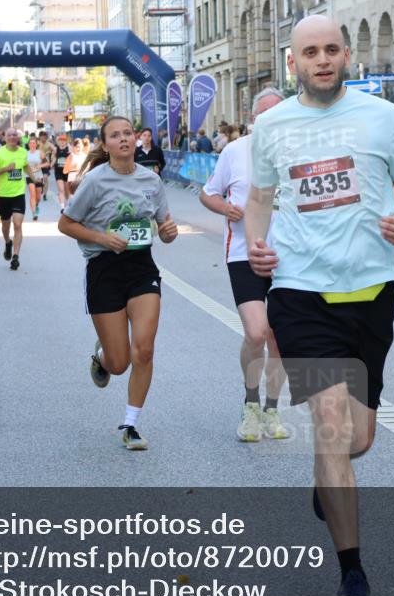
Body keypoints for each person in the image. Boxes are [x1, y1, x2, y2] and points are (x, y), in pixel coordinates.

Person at [245, 14, 394, 596]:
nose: (321, 60)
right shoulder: (270, 125)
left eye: (330, 50)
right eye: (309, 52)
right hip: (301, 292)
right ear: (291, 62)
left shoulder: (379, 117)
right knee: (328, 425)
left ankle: (329, 477)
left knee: (358, 439)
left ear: (346, 56)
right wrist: (257, 246)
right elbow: (261, 199)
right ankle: (353, 578)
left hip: (372, 291)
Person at [57, 116, 179, 450]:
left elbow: (164, 227)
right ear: (106, 144)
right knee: (120, 363)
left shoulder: (150, 181)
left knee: (145, 349)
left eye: (128, 133)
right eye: (115, 135)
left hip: (142, 268)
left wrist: (169, 232)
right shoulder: (94, 181)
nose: (123, 139)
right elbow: (65, 224)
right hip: (104, 270)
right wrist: (101, 237)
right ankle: (102, 357)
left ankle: (131, 424)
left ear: (136, 140)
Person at [200, 87, 289, 443]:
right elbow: (208, 193)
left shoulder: (299, 152)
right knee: (256, 332)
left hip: (291, 258)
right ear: (254, 120)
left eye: (278, 116)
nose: (271, 122)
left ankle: (271, 408)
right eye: (264, 116)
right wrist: (225, 208)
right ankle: (250, 403)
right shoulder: (235, 152)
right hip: (245, 252)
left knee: (279, 340)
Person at [0, 129, 28, 269]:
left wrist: (35, 178)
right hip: (4, 195)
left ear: (18, 137)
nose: (12, 137)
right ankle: (7, 242)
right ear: (5, 138)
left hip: (18, 194)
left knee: (17, 224)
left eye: (14, 135)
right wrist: (5, 169)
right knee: (5, 226)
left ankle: (16, 257)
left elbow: (25, 166)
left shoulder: (23, 152)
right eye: (9, 135)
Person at [24, 137, 47, 221]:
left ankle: (36, 205)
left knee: (38, 197)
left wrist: (39, 166)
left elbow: (47, 163)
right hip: (29, 176)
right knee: (32, 193)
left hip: (38, 176)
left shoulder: (40, 153)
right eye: (31, 143)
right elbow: (23, 164)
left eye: (34, 143)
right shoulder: (25, 153)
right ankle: (34, 213)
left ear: (36, 144)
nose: (32, 144)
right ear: (28, 144)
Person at [52, 134, 71, 211]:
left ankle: (67, 204)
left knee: (67, 190)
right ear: (58, 142)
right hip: (58, 171)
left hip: (67, 171)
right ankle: (62, 207)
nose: (62, 142)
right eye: (61, 140)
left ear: (66, 141)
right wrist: (51, 164)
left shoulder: (69, 148)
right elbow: (53, 158)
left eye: (64, 140)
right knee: (61, 190)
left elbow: (72, 157)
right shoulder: (56, 149)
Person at [38, 130, 55, 202]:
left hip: (45, 163)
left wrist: (50, 152)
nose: (43, 139)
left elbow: (55, 150)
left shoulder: (49, 144)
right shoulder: (37, 144)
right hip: (38, 164)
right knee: (39, 180)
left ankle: (45, 194)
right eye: (42, 137)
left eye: (44, 137)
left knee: (45, 178)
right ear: (39, 137)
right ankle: (41, 188)